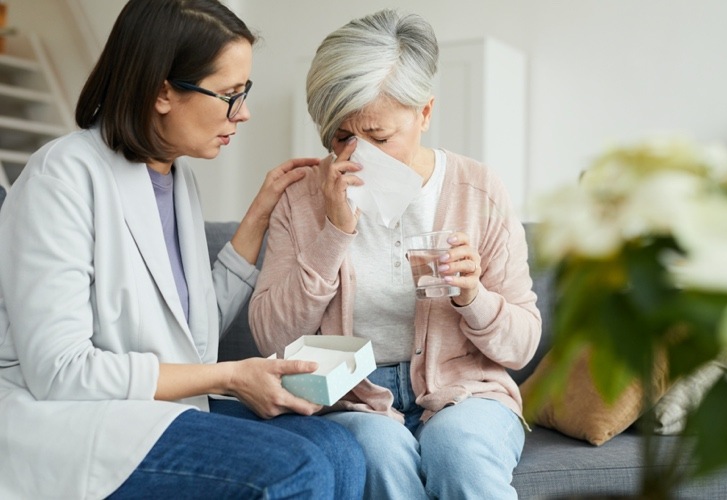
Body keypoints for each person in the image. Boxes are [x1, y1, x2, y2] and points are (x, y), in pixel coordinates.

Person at [0, 1, 366, 498]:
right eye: (230, 95)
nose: (244, 112)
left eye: (246, 92)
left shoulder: (177, 177)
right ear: (162, 90)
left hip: (149, 410)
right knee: (295, 469)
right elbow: (60, 372)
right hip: (69, 423)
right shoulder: (60, 177)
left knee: (339, 447)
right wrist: (233, 377)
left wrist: (258, 215)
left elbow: (185, 331)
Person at [249, 8, 542, 500]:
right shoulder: (301, 200)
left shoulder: (479, 191)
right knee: (379, 454)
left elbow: (520, 346)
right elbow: (269, 337)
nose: (358, 156)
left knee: (459, 452)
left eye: (379, 137)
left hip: (466, 391)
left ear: (425, 113)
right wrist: (333, 235)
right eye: (341, 137)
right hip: (353, 399)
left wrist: (474, 297)